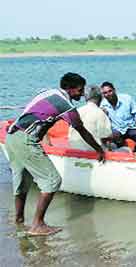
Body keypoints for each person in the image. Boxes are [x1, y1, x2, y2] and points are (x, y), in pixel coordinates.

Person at [5, 73, 105, 236]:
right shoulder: (65, 105)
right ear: (71, 89)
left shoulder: (48, 92)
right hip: (26, 139)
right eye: (80, 90)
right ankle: (38, 224)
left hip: (11, 136)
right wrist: (99, 149)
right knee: (52, 180)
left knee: (22, 179)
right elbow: (81, 130)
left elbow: (36, 113)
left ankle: (19, 220)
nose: (82, 94)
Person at [100, 81, 136, 152]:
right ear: (103, 95)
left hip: (131, 127)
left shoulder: (127, 98)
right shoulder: (102, 105)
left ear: (114, 90)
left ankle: (135, 152)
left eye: (110, 91)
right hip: (116, 130)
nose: (108, 94)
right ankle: (122, 150)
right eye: (105, 93)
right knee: (113, 136)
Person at [68, 85, 113, 151]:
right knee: (125, 149)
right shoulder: (101, 113)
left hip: (74, 148)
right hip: (92, 151)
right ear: (100, 97)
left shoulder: (77, 111)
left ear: (86, 98)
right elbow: (106, 136)